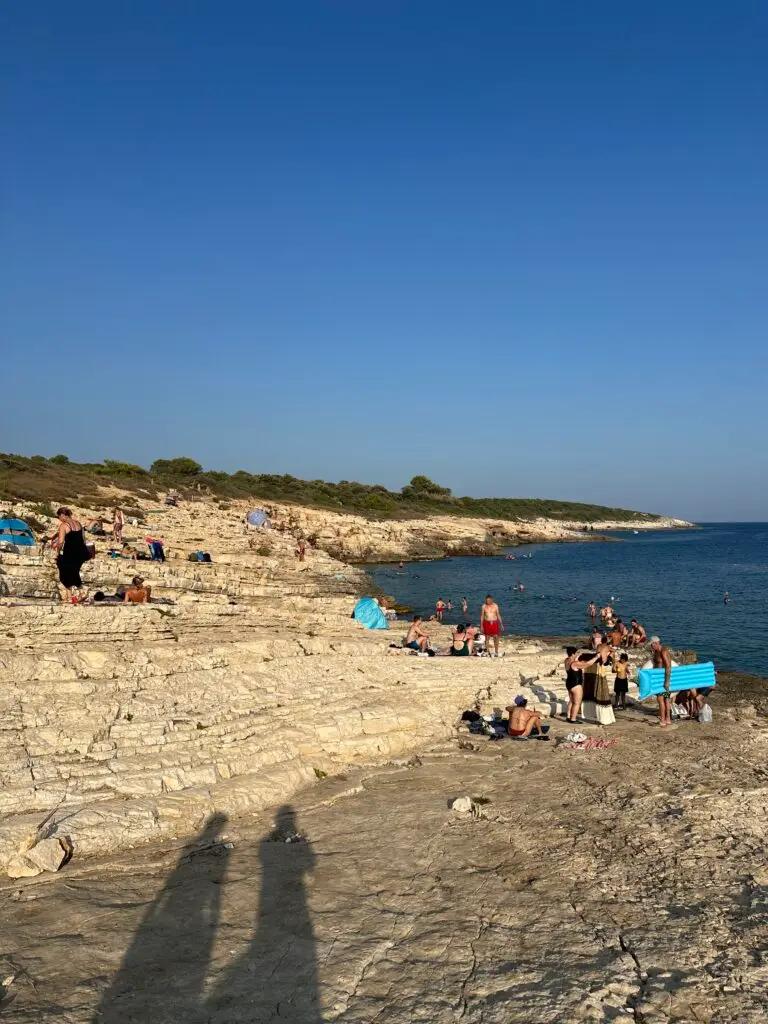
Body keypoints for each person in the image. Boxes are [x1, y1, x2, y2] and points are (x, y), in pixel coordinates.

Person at [50, 507, 90, 603]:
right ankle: (76, 595)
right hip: (81, 552)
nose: (59, 519)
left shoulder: (64, 526)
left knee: (63, 572)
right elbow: (83, 539)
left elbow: (60, 542)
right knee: (73, 572)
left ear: (63, 515)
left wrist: (57, 551)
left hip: (70, 552)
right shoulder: (79, 524)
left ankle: (72, 595)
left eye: (59, 516)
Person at [565, 646, 595, 723]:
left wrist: (577, 658)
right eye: (576, 653)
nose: (576, 654)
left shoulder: (566, 660)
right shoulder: (575, 663)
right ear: (572, 654)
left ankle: (568, 716)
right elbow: (588, 664)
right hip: (576, 685)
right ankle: (573, 719)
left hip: (569, 683)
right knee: (577, 703)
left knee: (571, 701)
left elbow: (573, 668)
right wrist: (596, 657)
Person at [650, 636, 673, 727]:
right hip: (659, 678)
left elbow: (668, 666)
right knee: (666, 699)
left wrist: (667, 681)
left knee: (661, 699)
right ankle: (668, 719)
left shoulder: (663, 651)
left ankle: (663, 720)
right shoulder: (657, 651)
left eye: (652, 645)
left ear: (656, 643)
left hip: (663, 679)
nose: (651, 647)